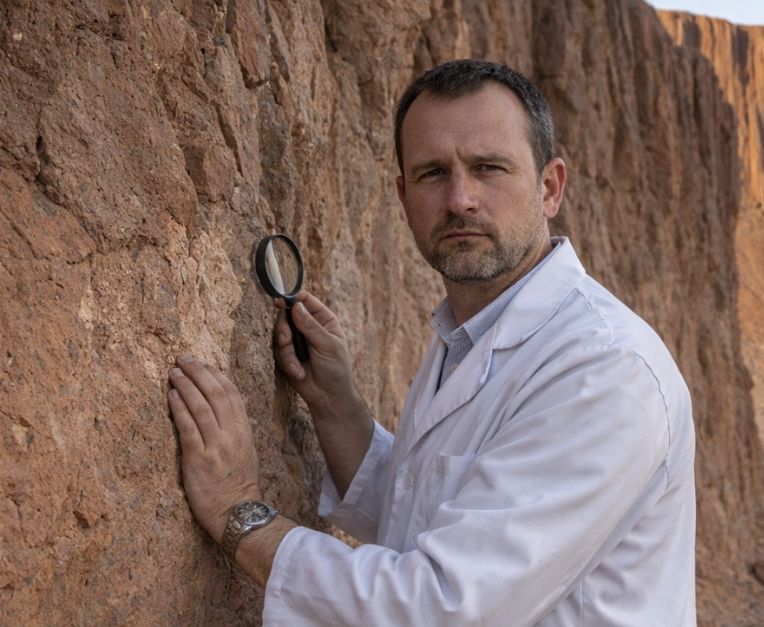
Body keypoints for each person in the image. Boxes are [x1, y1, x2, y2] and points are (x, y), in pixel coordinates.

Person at [165, 59, 696, 625]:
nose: (460, 199)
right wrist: (335, 405)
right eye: (432, 173)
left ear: (549, 187)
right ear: (402, 194)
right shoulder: (470, 332)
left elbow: (441, 606)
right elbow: (431, 515)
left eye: (490, 168)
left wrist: (238, 513)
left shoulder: (606, 370)